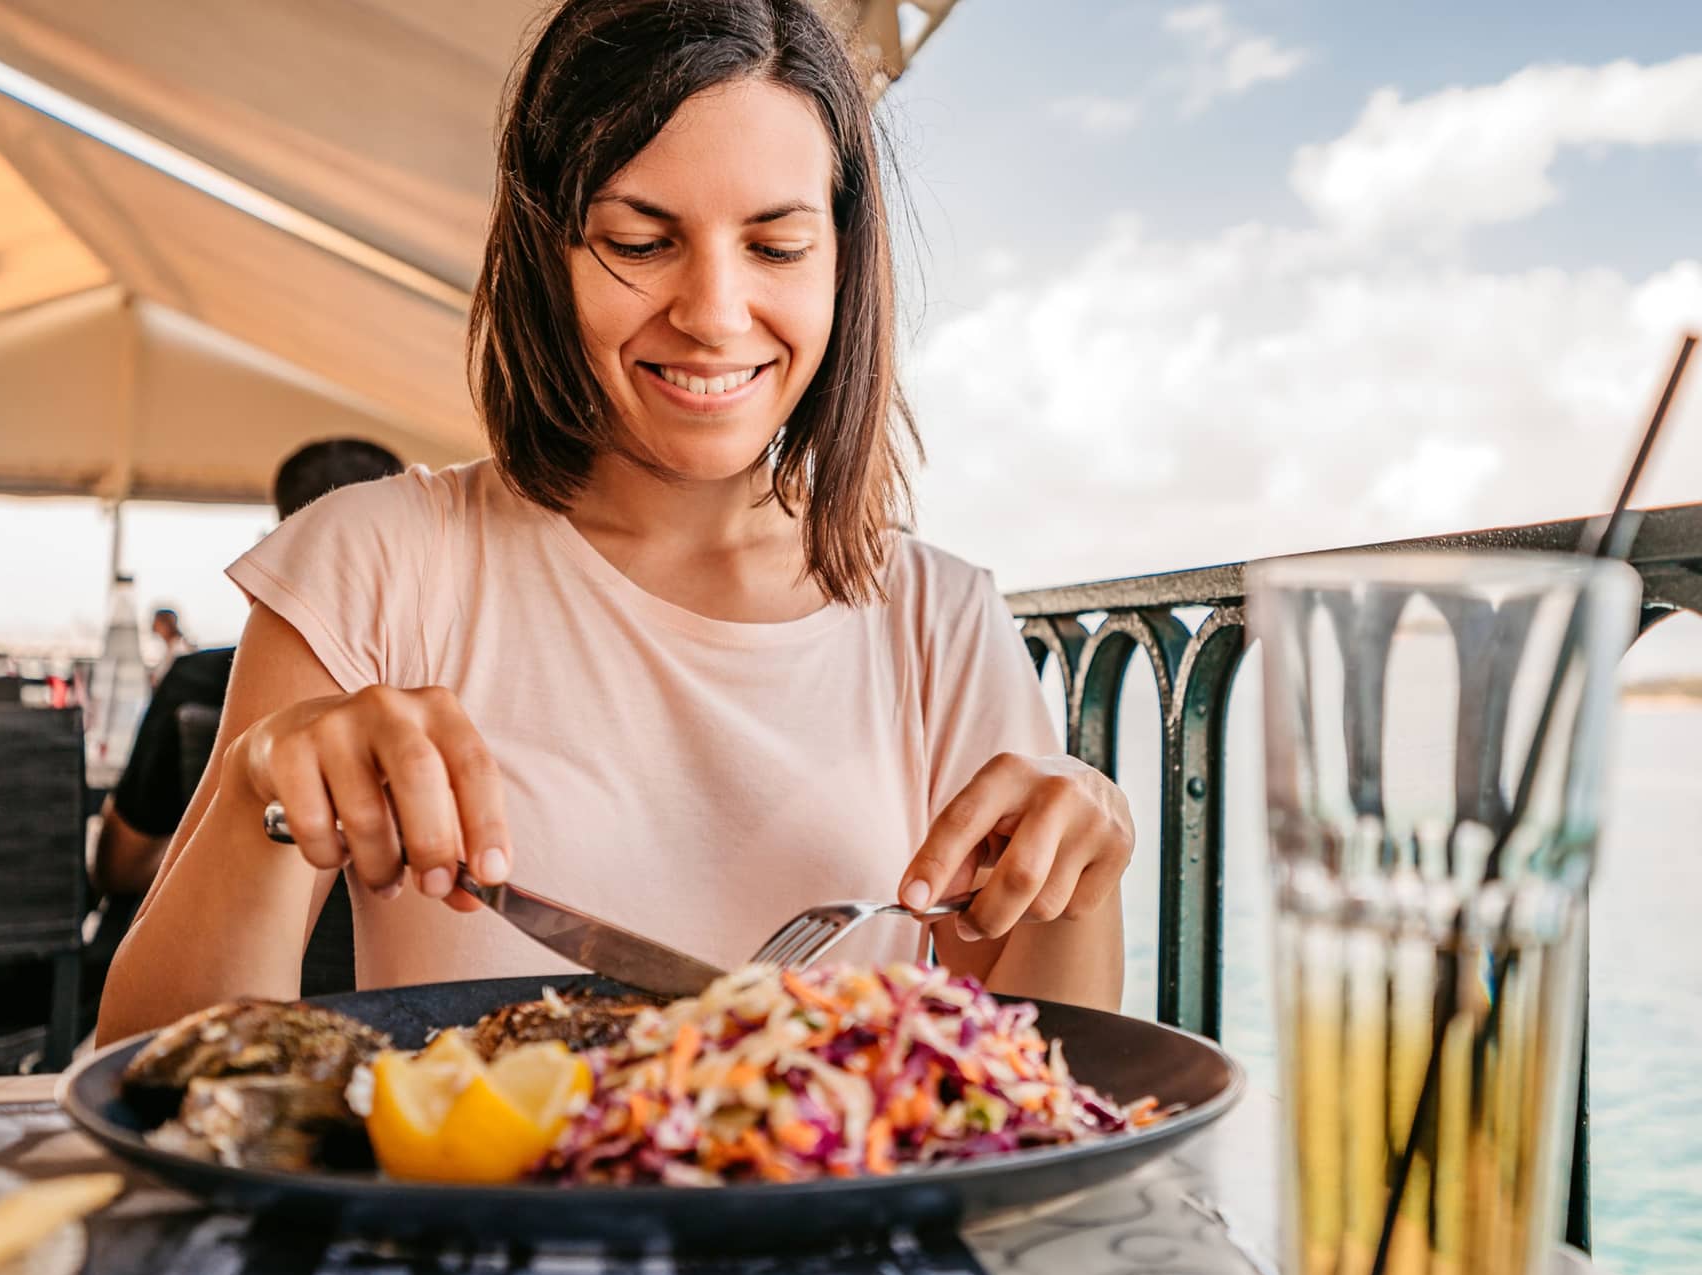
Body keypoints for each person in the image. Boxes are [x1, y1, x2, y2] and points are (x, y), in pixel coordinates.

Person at [97, 0, 1132, 1045]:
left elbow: (1042, 1087)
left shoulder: (936, 616)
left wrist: (1080, 872)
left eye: (775, 246)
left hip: (832, 1209)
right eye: (640, 241)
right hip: (472, 1207)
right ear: (547, 250)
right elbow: (143, 1061)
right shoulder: (372, 560)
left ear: (841, 266)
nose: (714, 312)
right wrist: (256, 798)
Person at [90, 439, 406, 899]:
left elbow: (118, 872)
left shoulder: (198, 683)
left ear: (278, 545)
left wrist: (213, 854)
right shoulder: (434, 697)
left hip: (215, 951)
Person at [148, 608, 195, 684]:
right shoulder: (170, 647)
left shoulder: (179, 648)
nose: (153, 625)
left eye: (156, 622)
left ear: (165, 624)